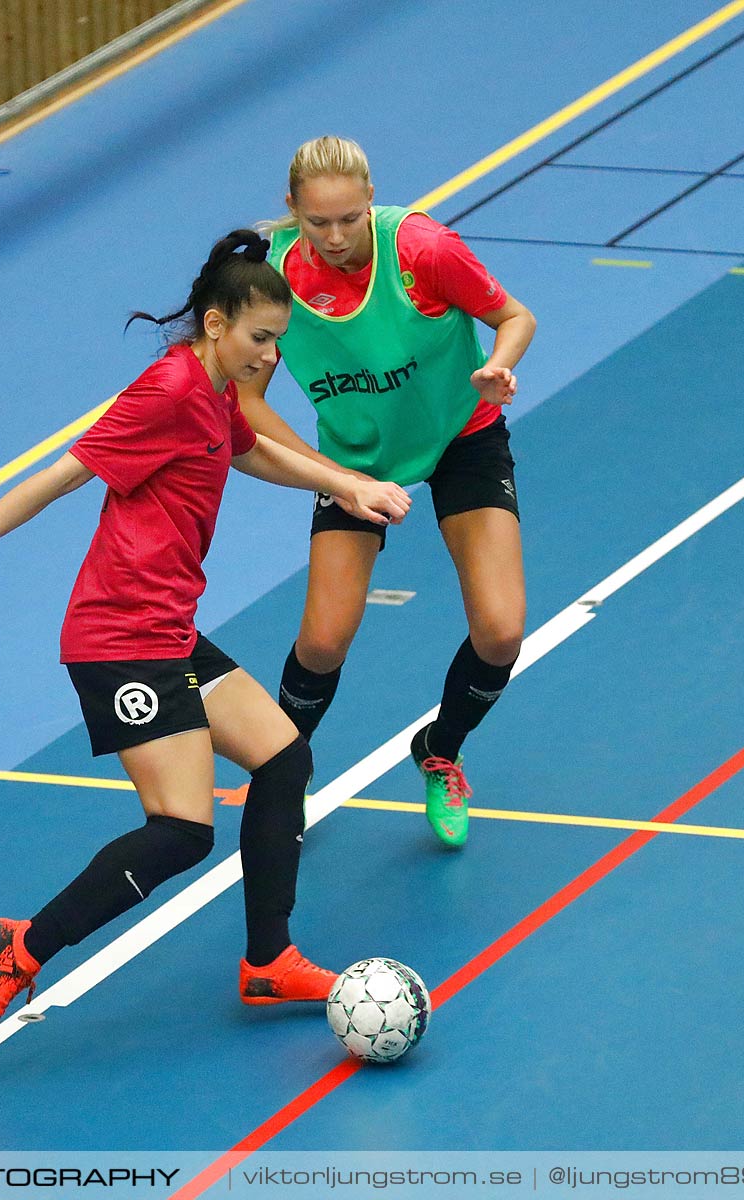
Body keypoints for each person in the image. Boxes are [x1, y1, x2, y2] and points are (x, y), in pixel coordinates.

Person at [0, 231, 411, 1048]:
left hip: (168, 626)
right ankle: (21, 948)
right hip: (119, 637)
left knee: (284, 758)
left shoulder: (216, 391)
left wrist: (349, 487)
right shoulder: (170, 389)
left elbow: (255, 453)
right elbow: (66, 472)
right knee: (181, 829)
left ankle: (268, 960)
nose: (270, 356)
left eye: (280, 341)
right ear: (215, 324)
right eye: (259, 338)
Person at [238, 135, 538, 850]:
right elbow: (246, 400)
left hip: (462, 434)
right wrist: (333, 476)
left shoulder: (424, 251)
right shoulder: (272, 276)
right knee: (321, 641)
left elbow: (515, 317)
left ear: (372, 200)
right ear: (292, 211)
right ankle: (285, 774)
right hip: (355, 459)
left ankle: (440, 749)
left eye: (349, 219)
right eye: (318, 223)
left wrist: (498, 366)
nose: (336, 238)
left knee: (501, 633)